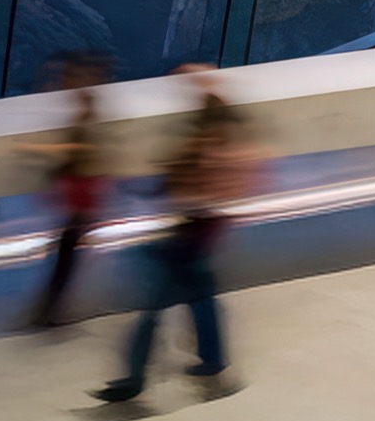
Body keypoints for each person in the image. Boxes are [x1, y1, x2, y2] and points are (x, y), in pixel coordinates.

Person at [93, 82, 258, 404]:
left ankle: (136, 378)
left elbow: (177, 185)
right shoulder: (217, 146)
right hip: (197, 240)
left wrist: (141, 185)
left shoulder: (206, 148)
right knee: (201, 303)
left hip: (188, 241)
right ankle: (211, 367)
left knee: (157, 309)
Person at [21, 54, 110, 328]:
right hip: (79, 202)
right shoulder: (85, 114)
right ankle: (49, 313)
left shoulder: (90, 117)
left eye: (72, 76)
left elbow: (80, 152)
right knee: (64, 259)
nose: (66, 81)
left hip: (81, 203)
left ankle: (50, 314)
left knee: (65, 259)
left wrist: (34, 150)